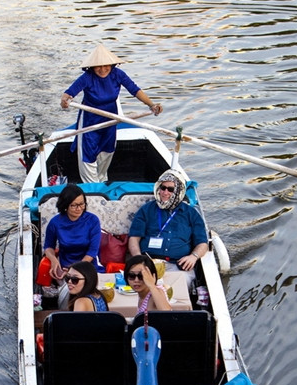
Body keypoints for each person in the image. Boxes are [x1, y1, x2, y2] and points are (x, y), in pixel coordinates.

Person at [60, 43, 163, 183]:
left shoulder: (117, 74)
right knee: (88, 154)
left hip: (110, 118)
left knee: (107, 150)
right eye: (98, 66)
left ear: (112, 64)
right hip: (90, 120)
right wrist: (65, 101)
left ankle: (102, 180)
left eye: (106, 65)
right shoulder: (87, 77)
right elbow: (68, 94)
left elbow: (135, 90)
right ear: (92, 67)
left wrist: (151, 104)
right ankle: (92, 187)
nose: (102, 69)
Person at [127, 167, 208, 287]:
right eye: (163, 188)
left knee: (178, 291)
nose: (165, 193)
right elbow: (134, 238)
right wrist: (138, 259)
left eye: (170, 189)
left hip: (177, 265)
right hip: (149, 263)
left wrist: (193, 256)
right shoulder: (146, 209)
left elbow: (203, 243)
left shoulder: (191, 214)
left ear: (178, 192)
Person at [42, 184, 101, 283]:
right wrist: (54, 261)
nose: (79, 208)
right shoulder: (55, 222)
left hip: (88, 266)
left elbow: (92, 252)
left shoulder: (93, 220)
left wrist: (74, 270)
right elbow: (48, 246)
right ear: (65, 205)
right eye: (74, 205)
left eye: (82, 204)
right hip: (64, 268)